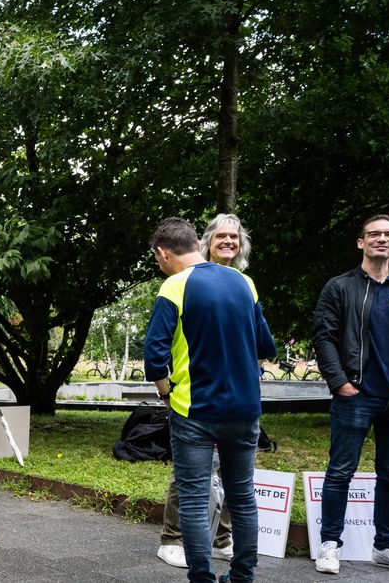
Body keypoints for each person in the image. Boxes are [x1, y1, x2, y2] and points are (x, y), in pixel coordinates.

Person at [144, 217, 275, 583]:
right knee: (243, 496)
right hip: (244, 409)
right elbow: (266, 345)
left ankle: (202, 577)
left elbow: (154, 357)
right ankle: (243, 576)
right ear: (197, 245)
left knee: (194, 497)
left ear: (163, 253)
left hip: (195, 410)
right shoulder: (244, 282)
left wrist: (166, 392)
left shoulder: (174, 286)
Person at [312, 214, 389, 574]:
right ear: (361, 242)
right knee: (340, 472)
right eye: (374, 234)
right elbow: (324, 337)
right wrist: (340, 383)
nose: (381, 239)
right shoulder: (339, 287)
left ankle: (385, 546)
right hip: (356, 395)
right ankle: (330, 544)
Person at [156, 213, 250, 568]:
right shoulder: (181, 283)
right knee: (192, 476)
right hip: (195, 399)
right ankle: (173, 538)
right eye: (221, 236)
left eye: (234, 237)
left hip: (237, 399)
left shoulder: (244, 284)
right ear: (203, 243)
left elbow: (258, 343)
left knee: (230, 478)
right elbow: (157, 350)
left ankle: (222, 537)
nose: (228, 242)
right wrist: (167, 391)